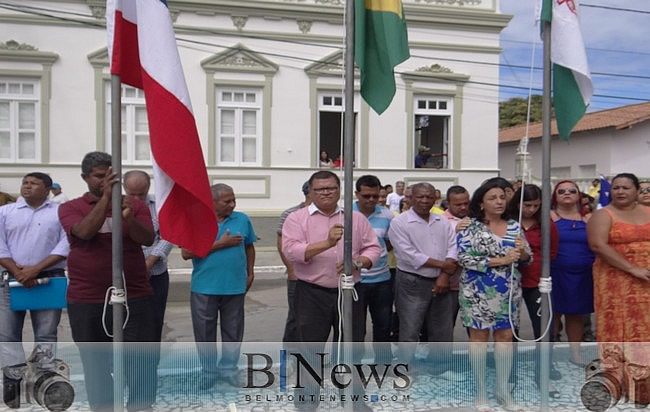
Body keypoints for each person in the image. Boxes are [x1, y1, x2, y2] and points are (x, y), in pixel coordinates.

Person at [58, 152, 156, 411]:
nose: (106, 181)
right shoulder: (70, 207)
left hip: (133, 295)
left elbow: (147, 239)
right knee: (96, 364)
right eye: (100, 176)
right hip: (88, 298)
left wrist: (128, 218)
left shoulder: (134, 205)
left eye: (111, 176)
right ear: (85, 178)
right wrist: (106, 201)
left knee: (140, 363)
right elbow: (84, 232)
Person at [281, 170, 380, 410]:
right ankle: (307, 402)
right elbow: (291, 251)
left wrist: (358, 263)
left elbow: (373, 248)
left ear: (339, 190)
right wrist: (327, 243)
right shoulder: (297, 218)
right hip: (311, 293)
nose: (326, 193)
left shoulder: (355, 219)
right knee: (310, 350)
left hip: (349, 292)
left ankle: (355, 400)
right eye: (320, 189)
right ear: (310, 192)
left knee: (353, 347)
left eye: (331, 188)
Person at [457, 179, 530, 410]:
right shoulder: (468, 226)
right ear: (481, 203)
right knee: (478, 339)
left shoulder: (514, 226)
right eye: (492, 198)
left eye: (501, 197)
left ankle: (502, 390)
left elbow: (527, 258)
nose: (499, 201)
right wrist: (501, 260)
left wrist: (524, 253)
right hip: (477, 290)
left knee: (506, 339)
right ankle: (480, 392)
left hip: (508, 291)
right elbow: (464, 258)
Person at [181, 184, 256, 389]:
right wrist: (221, 244)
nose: (232, 204)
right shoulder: (196, 220)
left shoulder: (242, 219)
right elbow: (186, 253)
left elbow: (249, 246)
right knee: (204, 333)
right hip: (205, 288)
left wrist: (250, 272)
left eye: (234, 200)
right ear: (212, 202)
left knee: (233, 331)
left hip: (234, 286)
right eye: (227, 201)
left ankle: (229, 369)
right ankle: (209, 371)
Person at [588, 173, 650, 407]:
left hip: (647, 281)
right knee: (620, 330)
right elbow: (597, 245)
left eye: (626, 187)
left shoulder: (648, 211)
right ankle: (620, 384)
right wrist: (632, 268)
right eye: (616, 188)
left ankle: (645, 387)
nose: (620, 191)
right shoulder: (603, 215)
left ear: (637, 190)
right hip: (615, 282)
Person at [0, 173, 69, 369]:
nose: (27, 186)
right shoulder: (5, 212)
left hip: (48, 279)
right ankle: (13, 380)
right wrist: (18, 271)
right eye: (25, 182)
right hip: (11, 278)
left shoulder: (60, 212)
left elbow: (66, 244)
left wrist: (36, 269)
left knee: (46, 333)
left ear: (47, 190)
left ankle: (43, 379)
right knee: (7, 334)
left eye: (34, 183)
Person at [388, 183, 458, 373]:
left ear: (435, 198)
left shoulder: (442, 221)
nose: (425, 201)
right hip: (413, 281)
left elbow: (453, 247)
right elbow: (408, 255)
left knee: (442, 329)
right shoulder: (400, 223)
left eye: (429, 197)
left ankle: (441, 367)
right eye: (420, 197)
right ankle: (404, 368)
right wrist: (444, 265)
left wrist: (444, 275)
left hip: (441, 281)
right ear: (410, 198)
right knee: (410, 328)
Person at [507, 184, 562, 383]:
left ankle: (545, 367)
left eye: (536, 205)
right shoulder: (509, 221)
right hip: (511, 281)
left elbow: (553, 252)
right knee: (510, 329)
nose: (531, 210)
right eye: (527, 205)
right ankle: (508, 369)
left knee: (543, 328)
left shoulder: (546, 223)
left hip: (537, 281)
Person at [123, 171, 173, 349]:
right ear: (124, 188)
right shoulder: (115, 206)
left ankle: (150, 366)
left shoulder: (159, 205)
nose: (136, 198)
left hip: (155, 274)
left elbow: (168, 235)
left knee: (152, 321)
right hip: (123, 276)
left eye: (141, 194)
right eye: (132, 194)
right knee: (124, 322)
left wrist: (149, 263)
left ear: (148, 188)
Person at [550, 179, 594, 366]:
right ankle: (548, 356)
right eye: (561, 191)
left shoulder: (590, 218)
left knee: (576, 315)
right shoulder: (548, 216)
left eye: (572, 190)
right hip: (556, 272)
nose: (567, 193)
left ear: (579, 195)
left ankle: (575, 354)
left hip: (584, 274)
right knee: (553, 315)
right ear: (555, 196)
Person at [353, 175, 394, 364]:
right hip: (355, 281)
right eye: (366, 196)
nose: (371, 200)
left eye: (375, 196)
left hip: (382, 280)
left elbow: (389, 242)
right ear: (357, 194)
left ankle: (383, 364)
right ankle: (354, 365)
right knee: (356, 328)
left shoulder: (386, 215)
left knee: (383, 325)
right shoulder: (346, 213)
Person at [276, 181, 311, 347]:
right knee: (296, 315)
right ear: (308, 193)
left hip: (320, 275)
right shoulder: (291, 213)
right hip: (297, 273)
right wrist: (291, 269)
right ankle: (289, 353)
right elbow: (282, 243)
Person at [442, 185, 471, 327]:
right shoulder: (440, 221)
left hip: (472, 283)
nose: (463, 207)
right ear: (448, 203)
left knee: (474, 328)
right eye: (458, 204)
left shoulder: (475, 219)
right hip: (450, 284)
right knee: (446, 325)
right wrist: (455, 232)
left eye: (466, 203)